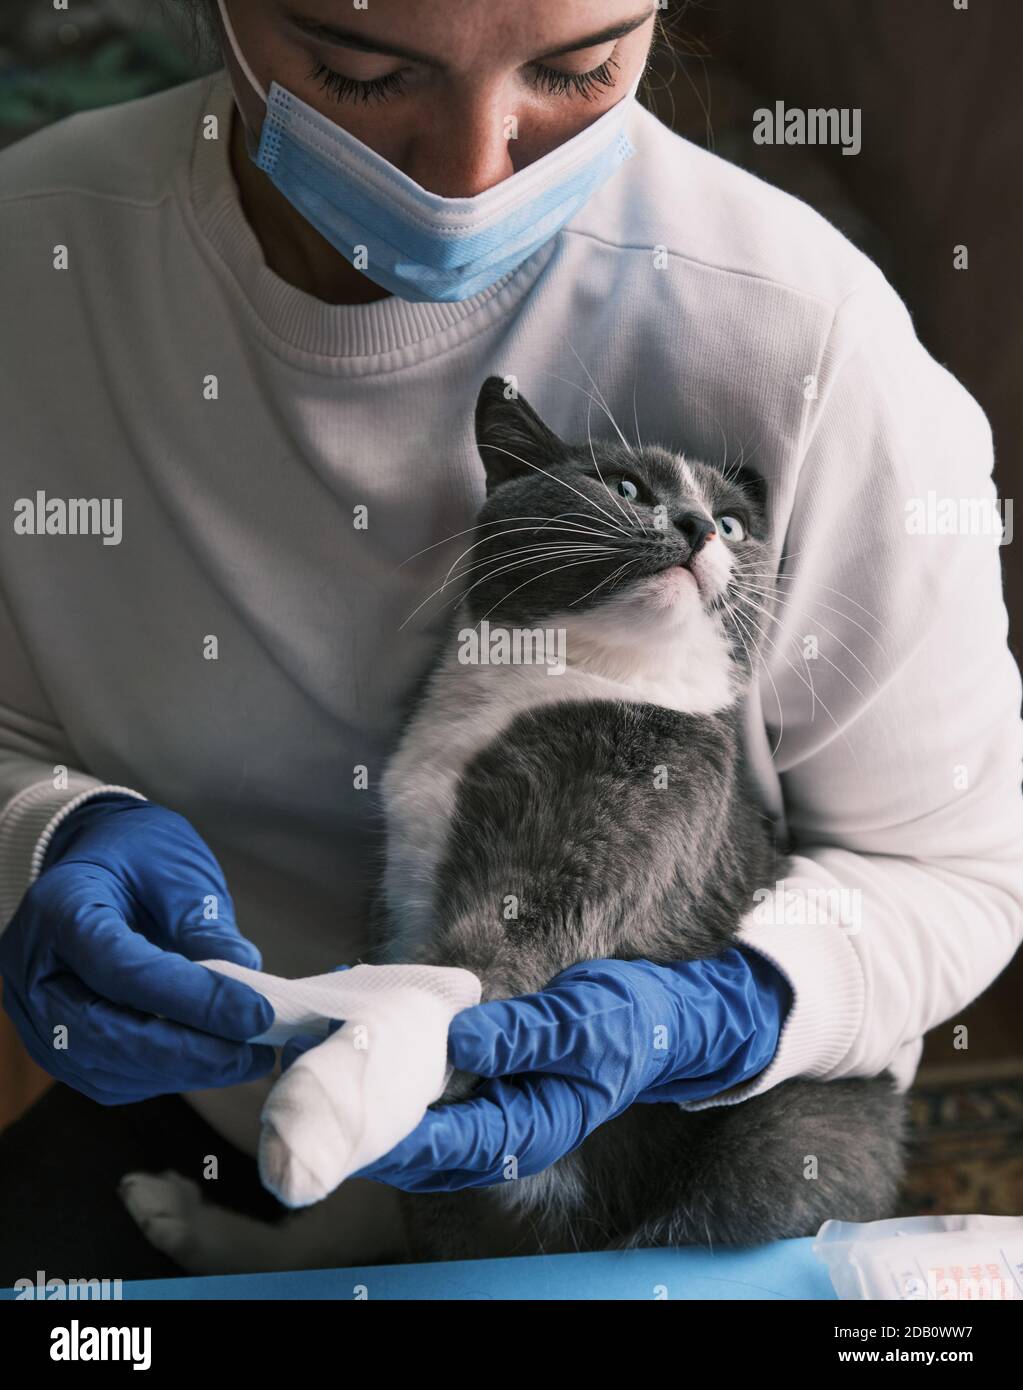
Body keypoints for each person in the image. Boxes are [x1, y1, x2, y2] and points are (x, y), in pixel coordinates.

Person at [0, 0, 1020, 1280]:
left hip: (675, 1146)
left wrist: (719, 1008)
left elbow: (958, 873)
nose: (472, 174)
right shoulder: (33, 263)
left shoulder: (805, 337)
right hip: (217, 1094)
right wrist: (44, 838)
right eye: (362, 72)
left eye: (578, 68)